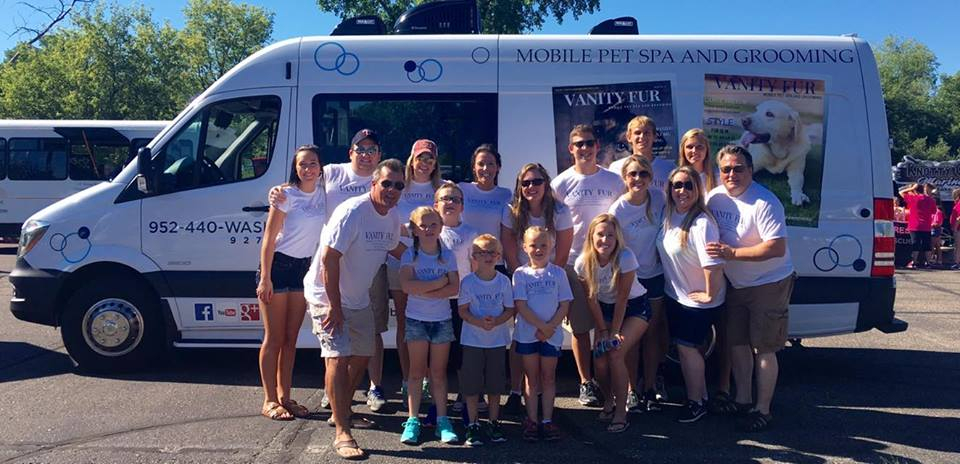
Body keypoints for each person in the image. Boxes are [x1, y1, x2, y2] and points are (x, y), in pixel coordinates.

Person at [272, 129, 391, 412]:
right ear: (350, 152)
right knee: (333, 331)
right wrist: (280, 189)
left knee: (371, 329)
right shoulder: (333, 172)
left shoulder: (384, 179)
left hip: (369, 264)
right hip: (333, 264)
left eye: (371, 150)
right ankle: (332, 391)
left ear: (379, 155)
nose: (365, 155)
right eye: (360, 149)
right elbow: (304, 176)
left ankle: (374, 387)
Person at [304, 158, 405, 460]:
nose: (392, 190)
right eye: (386, 183)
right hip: (326, 296)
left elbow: (397, 248)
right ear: (373, 183)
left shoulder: (392, 216)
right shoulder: (353, 212)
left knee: (362, 355)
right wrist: (334, 306)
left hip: (358, 298)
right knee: (338, 357)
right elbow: (329, 258)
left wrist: (435, 251)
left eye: (398, 185)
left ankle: (342, 410)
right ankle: (342, 432)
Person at [706, 145, 795, 432]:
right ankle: (742, 399)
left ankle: (762, 409)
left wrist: (732, 254)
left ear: (751, 170)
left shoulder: (764, 202)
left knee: (764, 347)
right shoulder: (715, 197)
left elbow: (776, 247)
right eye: (726, 169)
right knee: (738, 343)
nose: (732, 174)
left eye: (738, 168)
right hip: (735, 284)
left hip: (768, 282)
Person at [551, 124, 621, 408]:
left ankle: (615, 383)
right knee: (580, 329)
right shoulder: (560, 184)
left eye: (589, 143)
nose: (584, 148)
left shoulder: (614, 181)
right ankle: (585, 382)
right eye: (579, 144)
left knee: (609, 327)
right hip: (574, 264)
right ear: (571, 149)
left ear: (597, 146)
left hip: (608, 264)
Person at [257, 145, 325, 421]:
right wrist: (265, 278)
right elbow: (268, 238)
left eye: (313, 163)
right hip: (278, 267)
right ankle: (269, 400)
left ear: (320, 167)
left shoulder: (324, 193)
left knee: (290, 339)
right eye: (302, 164)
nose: (308, 169)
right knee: (274, 338)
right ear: (295, 168)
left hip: (302, 269)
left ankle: (285, 397)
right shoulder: (286, 195)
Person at [500, 162, 574, 414]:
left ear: (546, 184)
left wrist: (547, 278)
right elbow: (509, 246)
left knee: (542, 337)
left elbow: (562, 252)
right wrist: (521, 277)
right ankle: (515, 391)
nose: (532, 186)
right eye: (526, 183)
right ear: (519, 187)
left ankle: (540, 397)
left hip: (550, 278)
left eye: (537, 181)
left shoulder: (560, 210)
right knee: (519, 336)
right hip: (521, 277)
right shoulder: (511, 210)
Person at [657, 166, 725, 424]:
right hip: (676, 296)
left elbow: (712, 265)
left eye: (688, 185)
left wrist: (709, 294)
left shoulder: (702, 223)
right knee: (686, 348)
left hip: (695, 302)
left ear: (697, 189)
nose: (682, 191)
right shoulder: (670, 214)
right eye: (677, 185)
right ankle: (702, 395)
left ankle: (696, 403)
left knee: (687, 350)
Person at [575, 214, 651, 433]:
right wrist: (602, 330)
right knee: (600, 358)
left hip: (634, 308)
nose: (605, 240)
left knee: (615, 352)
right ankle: (608, 400)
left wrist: (614, 333)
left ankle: (621, 412)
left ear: (617, 238)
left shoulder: (626, 258)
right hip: (605, 310)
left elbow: (623, 299)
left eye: (610, 235)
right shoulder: (583, 263)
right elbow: (591, 299)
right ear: (591, 236)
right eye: (600, 234)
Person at [607, 155, 668, 412]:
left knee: (652, 333)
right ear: (625, 177)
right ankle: (633, 390)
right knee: (630, 339)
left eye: (643, 174)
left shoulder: (659, 198)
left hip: (654, 276)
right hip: (630, 280)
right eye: (632, 174)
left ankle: (650, 387)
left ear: (650, 177)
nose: (638, 179)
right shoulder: (617, 210)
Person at [399, 207, 461, 445]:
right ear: (414, 230)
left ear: (441, 227)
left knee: (438, 373)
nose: (428, 229)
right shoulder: (409, 255)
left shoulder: (448, 255)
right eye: (422, 225)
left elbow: (454, 287)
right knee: (416, 373)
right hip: (416, 320)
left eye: (433, 224)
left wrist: (424, 290)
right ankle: (412, 420)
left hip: (441, 320)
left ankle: (442, 421)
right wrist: (438, 283)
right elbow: (407, 286)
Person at [392, 139, 443, 402]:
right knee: (405, 323)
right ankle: (408, 378)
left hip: (433, 265)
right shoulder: (399, 185)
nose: (425, 163)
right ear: (411, 160)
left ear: (435, 163)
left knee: (431, 323)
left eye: (430, 159)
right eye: (420, 158)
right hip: (400, 260)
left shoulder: (442, 188)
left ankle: (428, 380)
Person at [512, 226, 573, 442]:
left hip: (551, 335)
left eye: (543, 245)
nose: (538, 250)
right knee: (531, 378)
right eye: (533, 245)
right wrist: (541, 326)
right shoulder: (520, 274)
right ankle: (532, 420)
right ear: (524, 247)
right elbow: (521, 305)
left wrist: (550, 328)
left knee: (548, 377)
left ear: (551, 246)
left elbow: (564, 304)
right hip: (528, 334)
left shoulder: (558, 273)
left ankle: (547, 420)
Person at [458, 234, 515, 446]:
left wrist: (496, 321)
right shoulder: (468, 282)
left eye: (492, 252)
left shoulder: (504, 281)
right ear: (474, 257)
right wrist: (479, 322)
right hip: (472, 340)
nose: (488, 256)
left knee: (495, 384)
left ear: (499, 256)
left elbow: (509, 309)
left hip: (497, 341)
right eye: (482, 253)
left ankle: (493, 421)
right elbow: (462, 310)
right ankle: (473, 424)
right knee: (472, 385)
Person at [435, 183, 481, 414]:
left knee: (464, 351)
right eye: (445, 198)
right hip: (436, 300)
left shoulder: (471, 233)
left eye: (455, 199)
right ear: (436, 205)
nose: (450, 203)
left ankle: (468, 394)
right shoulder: (429, 231)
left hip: (462, 301)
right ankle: (437, 399)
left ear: (462, 206)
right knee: (440, 352)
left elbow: (475, 270)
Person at [459, 144, 512, 242]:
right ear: (474, 168)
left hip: (493, 251)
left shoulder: (506, 195)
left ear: (498, 167)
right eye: (481, 164)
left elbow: (507, 235)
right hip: (464, 251)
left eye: (490, 164)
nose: (485, 168)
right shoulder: (461, 189)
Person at [609, 116, 675, 191]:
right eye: (637, 133)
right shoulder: (616, 168)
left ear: (655, 136)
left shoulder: (669, 168)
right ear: (629, 137)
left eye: (646, 133)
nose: (642, 136)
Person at [898, 183, 937, 269]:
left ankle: (914, 262)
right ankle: (928, 262)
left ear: (915, 190)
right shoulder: (931, 200)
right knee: (927, 244)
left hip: (914, 225)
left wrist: (911, 188)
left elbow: (900, 192)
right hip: (926, 225)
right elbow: (933, 211)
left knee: (915, 243)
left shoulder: (913, 198)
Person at [931, 195, 944, 266]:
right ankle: (939, 260)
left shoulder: (938, 212)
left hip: (935, 230)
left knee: (934, 245)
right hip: (933, 229)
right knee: (936, 245)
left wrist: (930, 225)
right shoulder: (932, 211)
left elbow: (938, 223)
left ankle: (934, 260)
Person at [951, 189, 960, 270]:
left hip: (958, 228)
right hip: (957, 227)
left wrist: (955, 227)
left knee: (958, 246)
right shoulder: (957, 204)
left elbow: (959, 218)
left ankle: (957, 263)